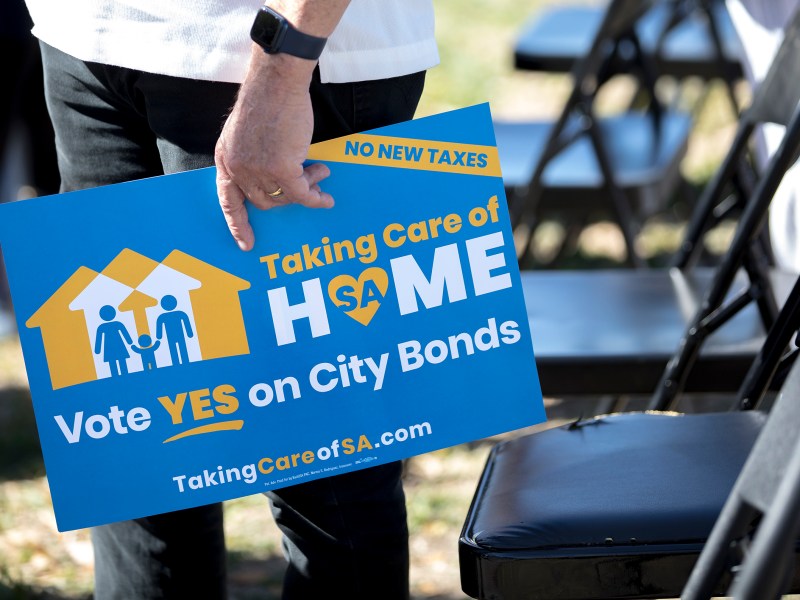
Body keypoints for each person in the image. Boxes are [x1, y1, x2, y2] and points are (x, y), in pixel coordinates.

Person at [21, 0, 438, 598]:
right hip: (85, 39)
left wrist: (285, 61)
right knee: (137, 446)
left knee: (324, 464)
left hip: (265, 57)